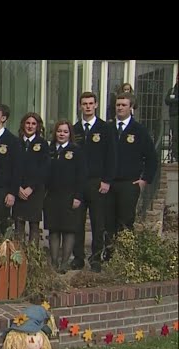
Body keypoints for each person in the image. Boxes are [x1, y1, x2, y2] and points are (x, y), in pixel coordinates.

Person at [104, 93, 157, 259]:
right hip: (109, 183)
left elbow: (152, 158)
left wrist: (144, 180)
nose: (120, 108)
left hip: (129, 183)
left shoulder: (139, 130)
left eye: (123, 105)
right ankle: (110, 254)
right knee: (109, 221)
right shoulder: (108, 129)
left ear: (131, 108)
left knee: (125, 221)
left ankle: (126, 256)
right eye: (118, 105)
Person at [71, 92, 117, 273]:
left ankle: (96, 258)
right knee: (77, 222)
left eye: (91, 103)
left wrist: (107, 181)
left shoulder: (105, 128)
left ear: (96, 105)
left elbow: (111, 157)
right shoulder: (74, 130)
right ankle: (78, 258)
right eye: (84, 104)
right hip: (79, 184)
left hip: (98, 182)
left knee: (98, 222)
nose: (88, 106)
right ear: (80, 106)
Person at [44, 120, 87, 273]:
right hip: (52, 196)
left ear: (70, 134)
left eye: (65, 131)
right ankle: (54, 262)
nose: (62, 134)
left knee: (68, 230)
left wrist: (78, 196)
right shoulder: (49, 150)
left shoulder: (76, 151)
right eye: (59, 131)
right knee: (54, 230)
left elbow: (81, 176)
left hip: (70, 196)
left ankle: (64, 263)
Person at [11, 112, 50, 245]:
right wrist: (18, 188)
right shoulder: (16, 143)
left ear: (38, 126)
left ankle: (33, 257)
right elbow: (13, 168)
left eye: (33, 123)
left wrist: (31, 188)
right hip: (19, 190)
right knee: (19, 224)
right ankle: (18, 258)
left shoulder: (43, 144)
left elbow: (44, 170)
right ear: (23, 125)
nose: (30, 126)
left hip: (35, 191)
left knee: (34, 224)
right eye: (28, 123)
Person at [0, 103, 21, 240]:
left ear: (3, 118)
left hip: (3, 190)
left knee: (3, 227)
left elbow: (17, 169)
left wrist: (12, 192)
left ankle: (3, 258)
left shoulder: (12, 141)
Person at [165, 72, 178, 163]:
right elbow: (167, 100)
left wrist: (174, 100)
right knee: (175, 137)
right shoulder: (172, 90)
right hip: (174, 116)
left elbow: (171, 100)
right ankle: (174, 156)